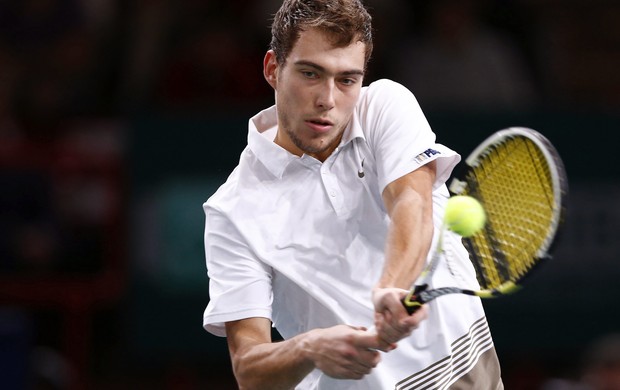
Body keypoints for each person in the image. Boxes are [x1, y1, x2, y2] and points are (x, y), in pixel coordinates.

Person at [202, 0, 503, 388]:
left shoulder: (385, 106)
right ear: (273, 69)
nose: (327, 99)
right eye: (311, 73)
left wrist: (392, 288)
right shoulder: (231, 211)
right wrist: (308, 348)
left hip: (466, 374)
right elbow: (249, 369)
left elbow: (412, 202)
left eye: (346, 80)